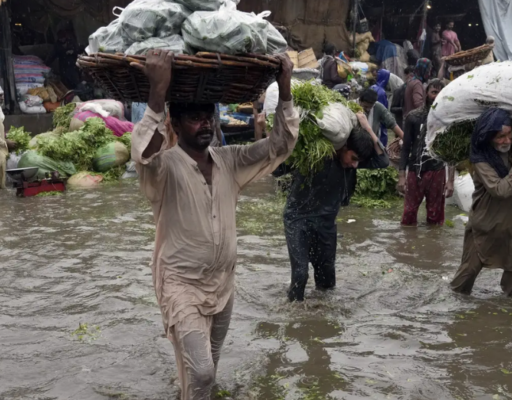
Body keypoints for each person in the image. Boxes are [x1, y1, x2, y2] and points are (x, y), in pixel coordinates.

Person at [129, 50, 298, 399]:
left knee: (209, 369)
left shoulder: (229, 161)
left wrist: (285, 87)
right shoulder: (163, 168)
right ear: (175, 125)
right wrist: (158, 93)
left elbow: (281, 145)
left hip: (223, 282)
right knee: (202, 371)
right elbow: (143, 152)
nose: (205, 123)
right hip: (181, 283)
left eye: (209, 116)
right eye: (194, 117)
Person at [277, 121, 389, 302]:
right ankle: (293, 317)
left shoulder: (351, 163)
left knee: (327, 280)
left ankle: (322, 315)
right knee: (300, 275)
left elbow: (383, 161)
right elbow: (276, 170)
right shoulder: (314, 155)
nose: (354, 165)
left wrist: (367, 127)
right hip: (297, 218)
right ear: (343, 147)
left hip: (326, 223)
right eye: (353, 158)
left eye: (358, 161)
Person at [450, 108, 512, 296]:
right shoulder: (480, 160)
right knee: (466, 275)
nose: (506, 141)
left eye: (509, 134)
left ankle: (510, 319)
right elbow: (500, 190)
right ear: (488, 137)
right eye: (500, 136)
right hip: (485, 225)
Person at [398, 79, 453, 227]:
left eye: (441, 92)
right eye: (434, 92)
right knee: (409, 215)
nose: (437, 96)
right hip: (415, 170)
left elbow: (450, 151)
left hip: (437, 170)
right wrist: (402, 175)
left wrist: (450, 181)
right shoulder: (413, 117)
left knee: (435, 217)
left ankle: (433, 247)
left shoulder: (447, 119)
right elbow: (406, 147)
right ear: (426, 94)